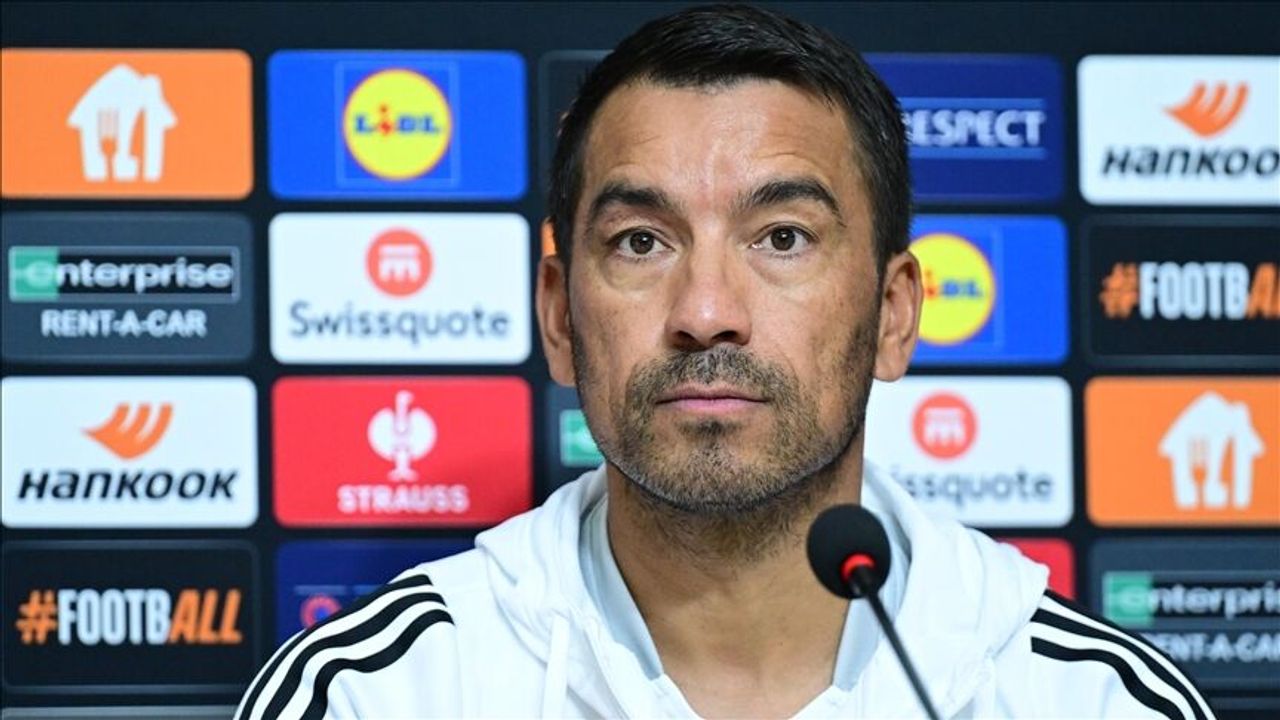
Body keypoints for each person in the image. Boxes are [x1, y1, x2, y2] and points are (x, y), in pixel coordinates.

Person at [236, 5, 1214, 718]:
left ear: (893, 315)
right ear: (560, 317)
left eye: (782, 238)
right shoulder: (374, 695)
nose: (705, 314)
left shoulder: (1091, 700)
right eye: (640, 242)